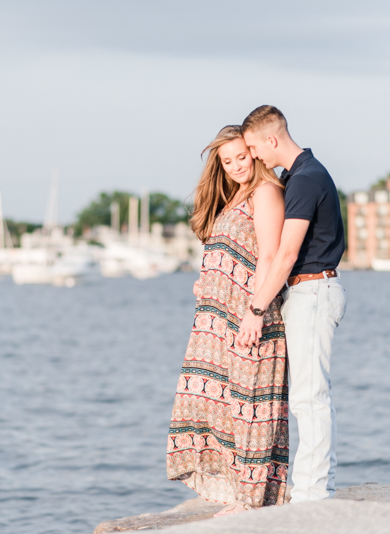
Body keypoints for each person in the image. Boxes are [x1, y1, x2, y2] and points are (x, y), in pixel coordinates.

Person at [167, 125, 290, 516]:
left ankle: (252, 501)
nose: (237, 165)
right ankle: (240, 494)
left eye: (242, 156)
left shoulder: (266, 192)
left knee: (251, 404)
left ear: (254, 153)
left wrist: (254, 313)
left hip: (250, 316)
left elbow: (270, 257)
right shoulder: (233, 195)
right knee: (220, 404)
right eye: (228, 160)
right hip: (216, 319)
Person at [239, 105, 346, 503]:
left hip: (313, 292)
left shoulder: (305, 179)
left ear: (272, 138)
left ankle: (314, 495)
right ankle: (313, 488)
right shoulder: (300, 175)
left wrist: (255, 310)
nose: (253, 156)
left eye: (252, 147)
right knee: (309, 396)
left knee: (310, 397)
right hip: (310, 293)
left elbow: (286, 254)